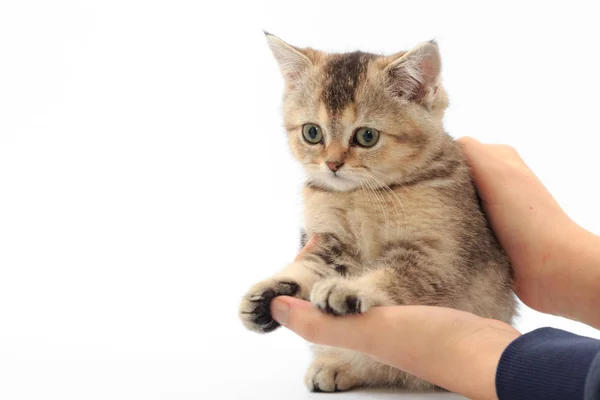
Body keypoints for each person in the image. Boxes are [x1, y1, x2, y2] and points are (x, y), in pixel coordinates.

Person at [269, 137, 600, 400]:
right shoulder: (328, 185)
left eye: (366, 136)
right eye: (313, 134)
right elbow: (324, 256)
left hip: (469, 322)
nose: (333, 160)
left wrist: (490, 357)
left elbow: (431, 264)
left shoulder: (433, 179)